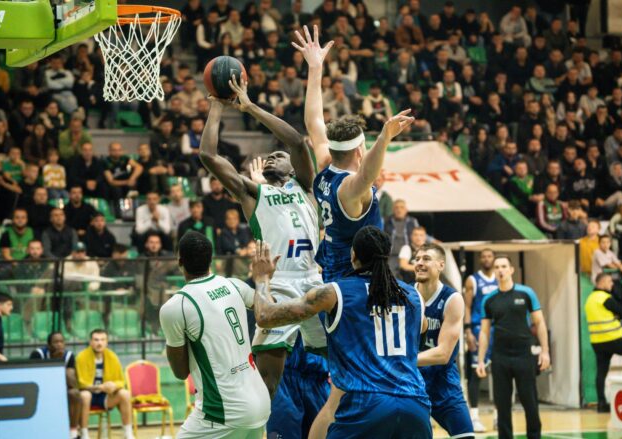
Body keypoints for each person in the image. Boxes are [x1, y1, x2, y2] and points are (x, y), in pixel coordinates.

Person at [199, 76, 329, 438]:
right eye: (270, 155)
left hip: (316, 281)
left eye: (279, 156)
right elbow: (208, 156)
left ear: (292, 168)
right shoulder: (253, 193)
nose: (274, 155)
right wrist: (216, 106)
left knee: (348, 369)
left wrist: (249, 106)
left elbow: (296, 140)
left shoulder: (305, 186)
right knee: (266, 386)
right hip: (278, 285)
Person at [252, 226, 432, 438]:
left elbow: (264, 316)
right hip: (415, 404)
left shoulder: (334, 292)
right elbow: (420, 333)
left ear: (353, 254)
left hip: (365, 404)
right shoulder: (414, 296)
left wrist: (262, 279)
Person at [296, 25, 413, 283]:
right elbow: (367, 175)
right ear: (360, 149)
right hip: (354, 277)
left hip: (332, 267)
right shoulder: (349, 187)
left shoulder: (326, 165)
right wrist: (383, 138)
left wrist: (315, 68)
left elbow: (314, 120)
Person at [159, 232, 270, 438]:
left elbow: (180, 372)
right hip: (260, 402)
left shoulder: (176, 306)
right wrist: (263, 280)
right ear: (211, 259)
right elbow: (269, 312)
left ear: (179, 261)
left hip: (222, 412)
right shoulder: (234, 285)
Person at [477, 255, 550, 439]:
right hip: (500, 356)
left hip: (523, 355)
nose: (500, 270)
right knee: (502, 406)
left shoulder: (526, 293)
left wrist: (545, 351)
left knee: (530, 402)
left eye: (503, 266)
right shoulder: (489, 300)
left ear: (511, 270)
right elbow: (484, 332)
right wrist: (480, 360)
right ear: (494, 271)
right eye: (497, 267)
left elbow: (539, 323)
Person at [415, 244, 474, 438]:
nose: (420, 263)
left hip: (443, 380)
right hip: (412, 381)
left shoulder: (452, 299)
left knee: (466, 435)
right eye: (417, 259)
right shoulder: (405, 296)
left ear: (441, 265)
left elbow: (443, 354)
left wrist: (403, 359)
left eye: (426, 259)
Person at [585, 274, 622, 413]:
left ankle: (601, 403)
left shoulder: (590, 299)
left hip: (597, 342)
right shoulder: (604, 298)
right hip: (613, 338)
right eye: (609, 282)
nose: (611, 284)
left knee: (601, 372)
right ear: (601, 283)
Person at [76, 329, 135, 439]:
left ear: (107, 342)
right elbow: (80, 383)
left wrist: (113, 385)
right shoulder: (81, 357)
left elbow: (121, 380)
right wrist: (99, 387)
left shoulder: (112, 356)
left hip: (105, 397)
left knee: (125, 394)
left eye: (103, 340)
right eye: (96, 340)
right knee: (85, 395)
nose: (99, 343)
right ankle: (84, 433)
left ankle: (128, 433)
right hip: (87, 396)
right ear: (90, 342)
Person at [463, 248, 497, 432]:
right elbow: (467, 307)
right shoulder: (473, 280)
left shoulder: (501, 278)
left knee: (499, 373)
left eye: (489, 256)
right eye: (483, 256)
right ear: (479, 260)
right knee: (476, 373)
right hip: (477, 329)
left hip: (497, 330)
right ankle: (474, 416)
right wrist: (468, 331)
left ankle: (499, 417)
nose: (486, 259)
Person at [30, 331, 81, 439]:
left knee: (75, 393)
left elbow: (73, 384)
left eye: (62, 342)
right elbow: (34, 379)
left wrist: (61, 362)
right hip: (40, 391)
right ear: (48, 345)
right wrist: (54, 362)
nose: (59, 344)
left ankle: (73, 432)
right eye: (56, 342)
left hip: (61, 391)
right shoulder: (38, 354)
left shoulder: (68, 356)